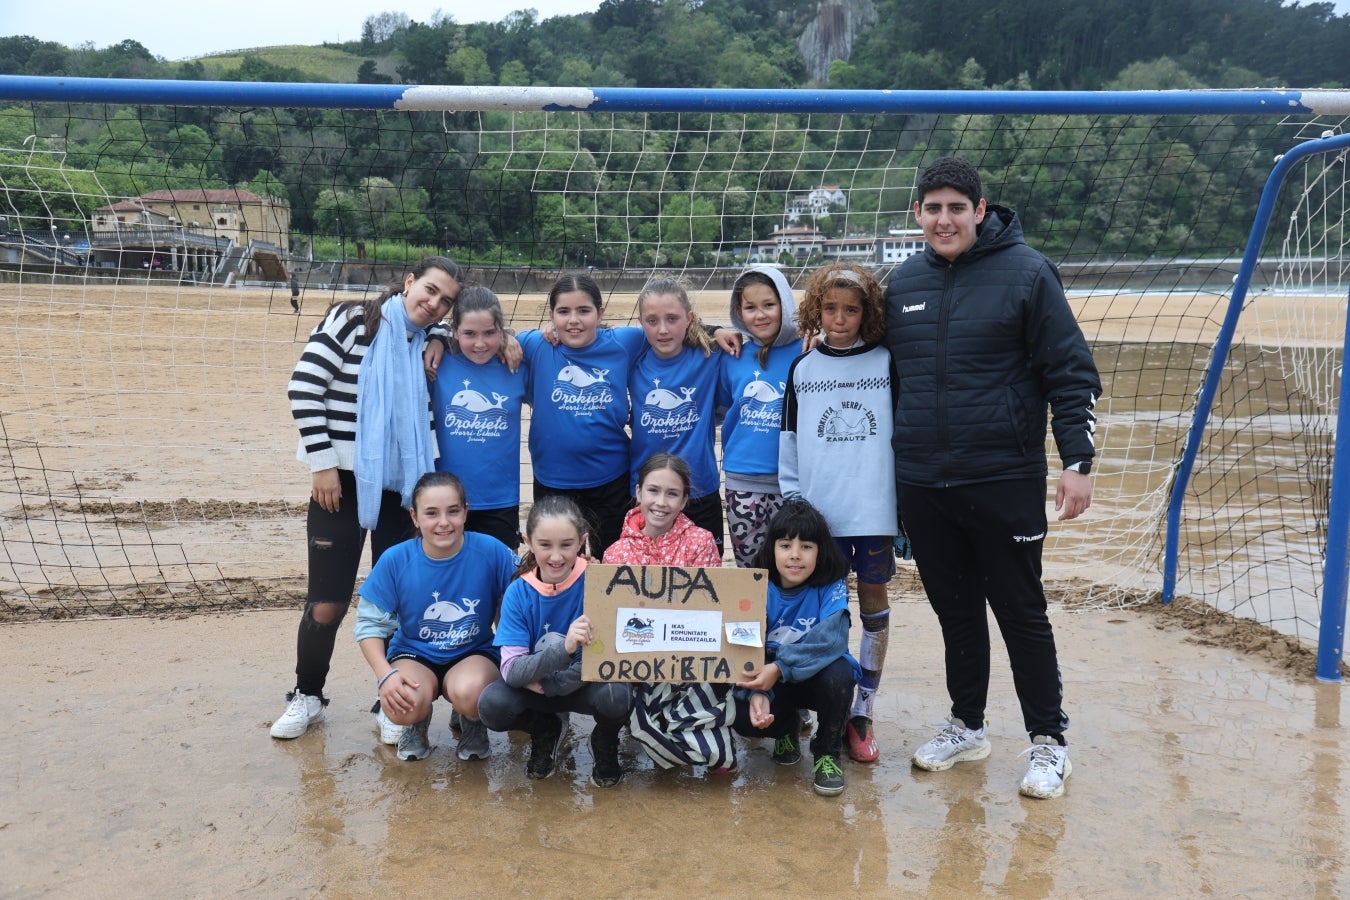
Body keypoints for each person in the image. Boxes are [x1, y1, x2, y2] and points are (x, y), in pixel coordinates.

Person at [883, 156, 1100, 800]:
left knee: (1021, 611)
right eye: (932, 207)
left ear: (980, 211)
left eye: (957, 207)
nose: (944, 218)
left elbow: (1071, 373)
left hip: (1004, 477)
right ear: (917, 214)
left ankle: (1048, 741)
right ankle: (966, 725)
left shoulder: (1029, 273)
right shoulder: (900, 283)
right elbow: (856, 354)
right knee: (955, 612)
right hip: (923, 481)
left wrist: (1078, 464)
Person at [270, 256, 460, 741]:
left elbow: (480, 331)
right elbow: (304, 387)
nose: (434, 304)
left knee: (397, 603)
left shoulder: (427, 342)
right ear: (409, 281)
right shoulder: (353, 320)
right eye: (430, 290)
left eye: (445, 302)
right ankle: (306, 695)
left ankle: (388, 704)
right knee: (327, 603)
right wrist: (323, 463)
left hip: (404, 485)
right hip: (342, 483)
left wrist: (438, 336)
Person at [779, 261, 898, 765]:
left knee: (872, 605)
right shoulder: (802, 367)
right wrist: (793, 501)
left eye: (851, 309)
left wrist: (905, 508)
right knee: (812, 611)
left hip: (874, 512)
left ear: (866, 312)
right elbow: (788, 439)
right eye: (830, 308)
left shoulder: (888, 360)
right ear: (816, 311)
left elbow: (902, 434)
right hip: (818, 518)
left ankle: (862, 711)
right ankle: (804, 703)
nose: (840, 318)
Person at [353, 471, 517, 762]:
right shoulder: (396, 559)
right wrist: (385, 676)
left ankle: (472, 722)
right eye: (432, 513)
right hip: (414, 654)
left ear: (466, 512)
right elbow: (368, 626)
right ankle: (417, 722)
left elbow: (529, 590)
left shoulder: (492, 551)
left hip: (474, 652)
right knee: (400, 703)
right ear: (415, 517)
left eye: (453, 511)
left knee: (474, 693)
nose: (444, 522)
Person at [477, 495, 633, 786]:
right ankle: (544, 728)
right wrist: (565, 648)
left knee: (618, 695)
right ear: (528, 541)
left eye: (567, 545)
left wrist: (550, 684)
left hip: (570, 684)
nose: (556, 556)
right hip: (539, 688)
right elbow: (511, 671)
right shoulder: (518, 592)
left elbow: (601, 661)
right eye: (545, 545)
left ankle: (605, 739)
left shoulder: (599, 581)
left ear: (582, 540)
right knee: (492, 705)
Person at [601, 453, 734, 772]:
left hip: (688, 660)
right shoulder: (616, 552)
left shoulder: (702, 543)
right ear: (638, 492)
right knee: (625, 703)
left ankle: (692, 734)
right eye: (653, 491)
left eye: (672, 493)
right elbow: (610, 624)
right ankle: (619, 733)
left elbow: (712, 614)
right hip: (637, 664)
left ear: (685, 499)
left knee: (720, 750)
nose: (661, 502)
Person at [733, 499, 856, 796]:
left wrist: (781, 667)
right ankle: (785, 728)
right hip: (770, 678)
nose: (795, 556)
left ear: (821, 551)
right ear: (771, 548)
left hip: (814, 676)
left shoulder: (832, 585)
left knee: (841, 674)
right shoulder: (756, 586)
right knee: (740, 717)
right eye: (785, 545)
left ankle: (827, 753)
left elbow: (832, 639)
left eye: (807, 546)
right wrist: (756, 691)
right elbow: (744, 645)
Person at [517, 275, 646, 558]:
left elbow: (668, 329)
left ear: (600, 313)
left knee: (612, 562)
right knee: (559, 564)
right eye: (563, 312)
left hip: (610, 480)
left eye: (583, 311)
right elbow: (489, 336)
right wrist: (439, 339)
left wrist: (717, 331)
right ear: (551, 316)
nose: (573, 320)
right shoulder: (536, 345)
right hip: (553, 481)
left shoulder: (625, 342)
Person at [627, 278, 725, 554]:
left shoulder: (709, 354)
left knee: (707, 579)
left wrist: (716, 331)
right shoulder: (633, 359)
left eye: (672, 319)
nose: (663, 330)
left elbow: (757, 344)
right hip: (649, 494)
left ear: (689, 319)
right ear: (641, 321)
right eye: (652, 320)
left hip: (700, 490)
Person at [716, 265, 799, 568]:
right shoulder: (732, 356)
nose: (760, 315)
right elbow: (725, 407)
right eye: (750, 307)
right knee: (750, 571)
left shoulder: (806, 350)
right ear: (739, 311)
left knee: (791, 570)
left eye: (769, 305)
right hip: (741, 482)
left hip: (792, 483)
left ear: (785, 305)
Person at [431, 285, 526, 549]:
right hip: (445, 499)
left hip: (499, 498)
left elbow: (544, 340)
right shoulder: (438, 362)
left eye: (490, 333)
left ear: (501, 330)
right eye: (469, 334)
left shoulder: (516, 365)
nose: (480, 343)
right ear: (455, 331)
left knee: (500, 578)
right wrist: (437, 339)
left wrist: (511, 338)